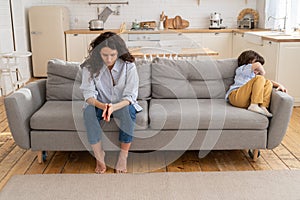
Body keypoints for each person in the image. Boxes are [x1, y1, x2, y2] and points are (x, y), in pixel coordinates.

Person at [80, 31, 142, 174]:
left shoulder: (128, 66)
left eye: (112, 55)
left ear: (118, 52)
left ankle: (123, 156)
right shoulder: (89, 67)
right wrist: (104, 107)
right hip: (99, 104)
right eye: (104, 55)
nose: (109, 59)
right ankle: (99, 156)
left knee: (128, 111)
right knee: (88, 111)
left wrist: (113, 107)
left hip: (121, 105)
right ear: (97, 53)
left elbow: (130, 96)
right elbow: (88, 95)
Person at [225, 50, 287, 117]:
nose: (258, 70)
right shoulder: (242, 69)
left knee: (268, 83)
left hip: (246, 101)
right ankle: (254, 105)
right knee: (260, 78)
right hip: (236, 96)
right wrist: (262, 72)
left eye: (258, 70)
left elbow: (268, 81)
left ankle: (263, 106)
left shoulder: (255, 78)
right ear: (248, 62)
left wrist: (280, 85)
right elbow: (258, 65)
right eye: (257, 69)